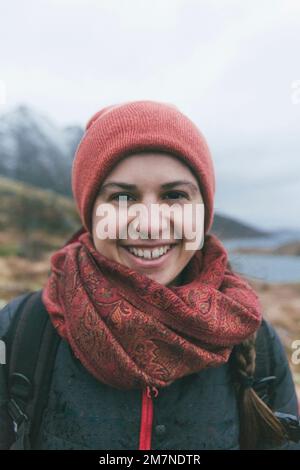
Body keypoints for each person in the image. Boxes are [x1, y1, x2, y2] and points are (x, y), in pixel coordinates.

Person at [0, 100, 299, 450]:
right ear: (90, 212)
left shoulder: (253, 338)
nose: (150, 223)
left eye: (174, 195)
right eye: (123, 196)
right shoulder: (20, 332)